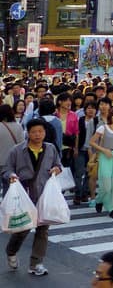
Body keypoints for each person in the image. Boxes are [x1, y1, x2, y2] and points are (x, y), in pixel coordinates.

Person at [3, 118, 62, 276]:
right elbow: (6, 169)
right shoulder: (17, 151)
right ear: (28, 133)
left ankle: (36, 263)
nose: (38, 135)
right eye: (34, 132)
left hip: (44, 195)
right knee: (22, 229)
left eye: (41, 131)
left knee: (43, 230)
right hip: (24, 195)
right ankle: (11, 251)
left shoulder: (50, 149)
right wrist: (12, 176)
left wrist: (56, 169)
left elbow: (58, 164)